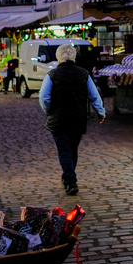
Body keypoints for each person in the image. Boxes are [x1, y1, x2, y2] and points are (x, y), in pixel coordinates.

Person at [39, 42, 105, 197]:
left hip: (59, 118)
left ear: (58, 57)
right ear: (74, 56)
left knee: (64, 150)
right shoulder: (84, 74)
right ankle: (68, 177)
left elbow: (44, 97)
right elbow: (94, 95)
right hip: (78, 118)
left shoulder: (52, 75)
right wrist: (100, 112)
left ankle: (70, 181)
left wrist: (48, 110)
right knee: (72, 149)